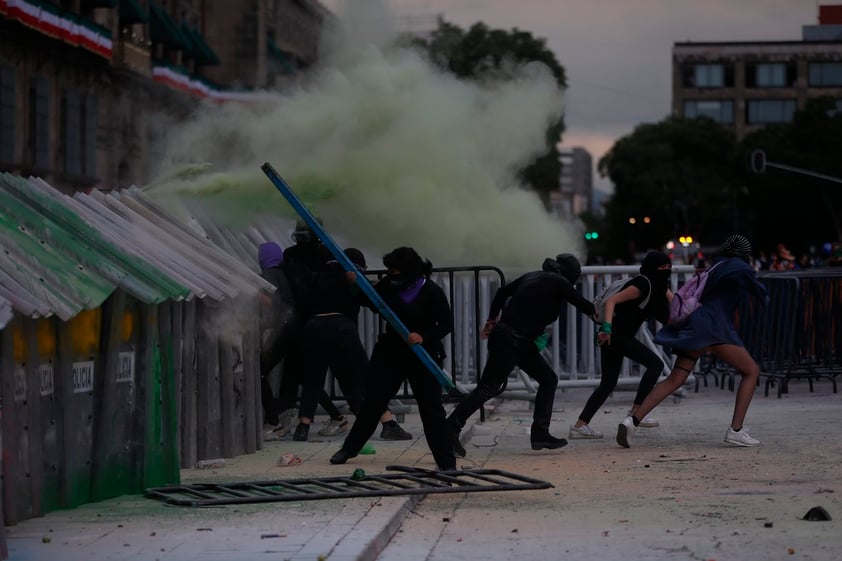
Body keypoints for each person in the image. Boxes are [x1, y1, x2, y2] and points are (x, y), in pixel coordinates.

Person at [616, 234, 768, 448]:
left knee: (675, 378)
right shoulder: (736, 266)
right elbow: (755, 286)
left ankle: (632, 420)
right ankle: (736, 429)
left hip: (695, 324)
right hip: (714, 327)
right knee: (751, 371)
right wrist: (762, 294)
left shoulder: (713, 267)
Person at [447, 254, 596, 456]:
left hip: (513, 338)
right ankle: (450, 428)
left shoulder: (533, 276)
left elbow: (501, 293)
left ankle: (540, 434)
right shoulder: (559, 281)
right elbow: (584, 306)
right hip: (512, 340)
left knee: (548, 379)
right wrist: (606, 318)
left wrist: (491, 320)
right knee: (487, 388)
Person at [330, 247, 456, 471]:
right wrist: (354, 285)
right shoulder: (389, 285)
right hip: (391, 351)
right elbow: (372, 302)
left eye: (395, 271)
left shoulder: (432, 292)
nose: (391, 276)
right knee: (373, 402)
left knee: (431, 409)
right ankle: (349, 448)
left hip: (423, 355)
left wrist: (423, 336)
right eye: (389, 271)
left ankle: (446, 462)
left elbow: (446, 324)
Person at [291, 248, 412, 442]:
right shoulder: (352, 278)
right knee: (365, 378)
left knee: (313, 379)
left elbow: (303, 307)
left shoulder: (317, 278)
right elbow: (375, 304)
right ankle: (389, 424)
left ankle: (303, 427)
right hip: (342, 328)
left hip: (313, 328)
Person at [569, 251, 673, 440]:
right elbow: (611, 301)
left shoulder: (658, 287)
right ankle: (637, 411)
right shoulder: (642, 283)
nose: (667, 271)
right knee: (655, 364)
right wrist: (606, 329)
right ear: (652, 268)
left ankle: (580, 426)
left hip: (616, 337)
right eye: (663, 267)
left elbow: (674, 306)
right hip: (614, 335)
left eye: (669, 267)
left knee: (608, 383)